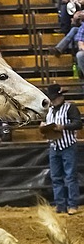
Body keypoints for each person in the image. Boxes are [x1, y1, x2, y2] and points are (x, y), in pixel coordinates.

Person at [41, 84, 81, 215]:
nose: (53, 101)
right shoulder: (50, 111)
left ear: (60, 96)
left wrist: (63, 127)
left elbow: (78, 124)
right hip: (54, 145)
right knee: (56, 177)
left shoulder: (70, 107)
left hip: (67, 145)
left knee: (70, 176)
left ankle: (72, 204)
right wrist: (44, 128)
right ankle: (60, 204)